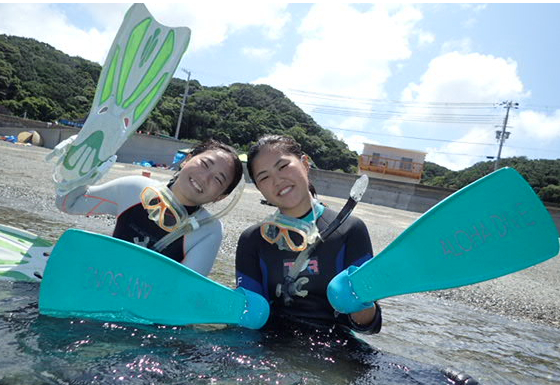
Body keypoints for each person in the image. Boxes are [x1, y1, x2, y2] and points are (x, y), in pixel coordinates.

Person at [235, 134, 382, 334]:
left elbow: (370, 326)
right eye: (264, 177)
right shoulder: (252, 240)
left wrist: (359, 303)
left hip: (335, 341)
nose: (277, 180)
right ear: (259, 188)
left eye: (283, 166)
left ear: (305, 164)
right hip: (270, 340)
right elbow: (246, 322)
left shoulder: (349, 229)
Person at [56, 139, 243, 276]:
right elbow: (69, 204)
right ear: (187, 159)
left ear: (220, 197)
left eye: (218, 179)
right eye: (204, 164)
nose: (204, 177)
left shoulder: (208, 230)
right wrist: (76, 169)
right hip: (101, 283)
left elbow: (185, 291)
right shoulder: (134, 188)